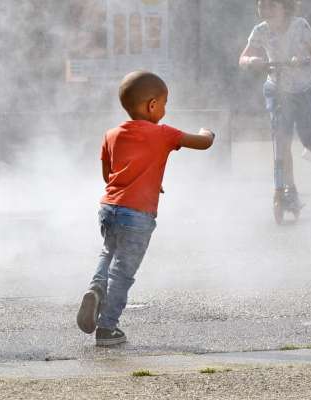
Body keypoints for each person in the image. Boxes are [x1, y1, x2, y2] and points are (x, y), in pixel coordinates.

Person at [75, 71, 216, 346]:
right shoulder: (162, 133)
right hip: (137, 215)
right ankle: (107, 328)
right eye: (164, 103)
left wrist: (145, 181)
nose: (165, 109)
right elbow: (202, 143)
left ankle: (95, 289)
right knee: (123, 272)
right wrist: (208, 132)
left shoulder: (112, 134)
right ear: (152, 105)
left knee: (107, 254)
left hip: (109, 207)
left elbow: (110, 175)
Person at [239, 0, 311, 222]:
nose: (265, 9)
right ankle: (287, 190)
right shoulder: (260, 31)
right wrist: (253, 61)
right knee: (282, 141)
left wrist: (304, 60)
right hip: (276, 89)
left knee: (309, 136)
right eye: (261, 5)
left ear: (284, 7)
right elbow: (243, 58)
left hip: (304, 90)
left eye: (271, 5)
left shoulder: (300, 25)